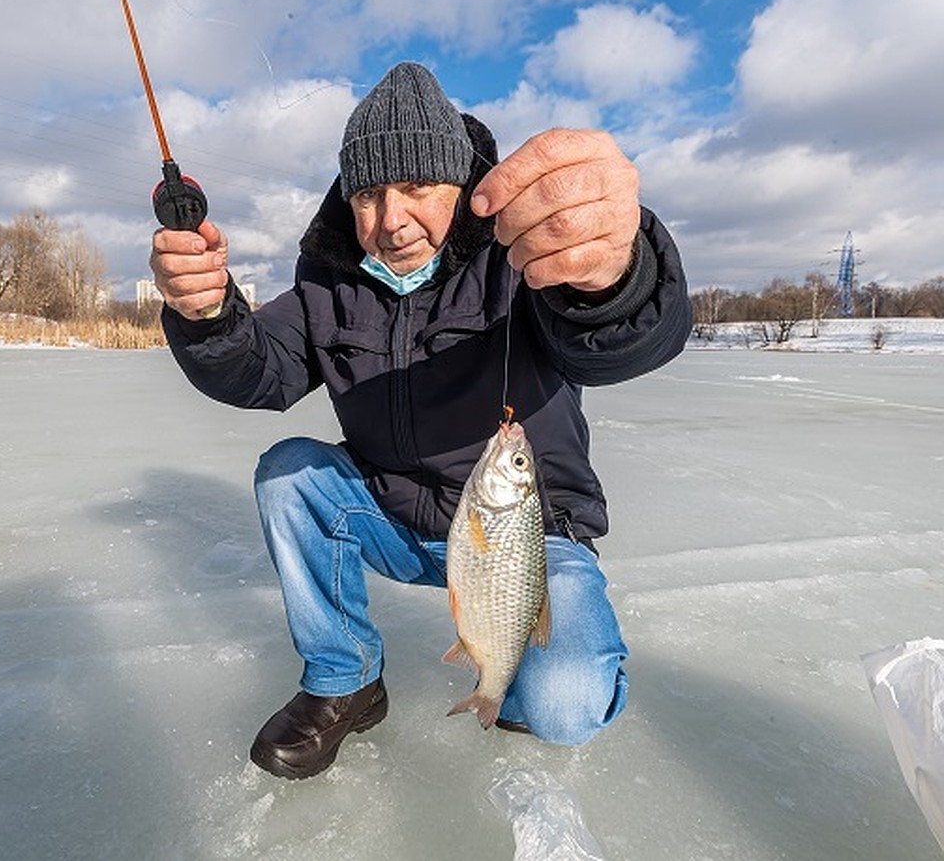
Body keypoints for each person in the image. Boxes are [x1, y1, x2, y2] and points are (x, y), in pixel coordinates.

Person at [150, 61, 692, 780]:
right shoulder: (331, 280)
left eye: (417, 187)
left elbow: (612, 343)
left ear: (462, 186)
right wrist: (207, 313)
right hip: (395, 519)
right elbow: (259, 369)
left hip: (526, 536)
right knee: (289, 472)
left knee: (563, 707)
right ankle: (347, 683)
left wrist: (614, 272)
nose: (391, 219)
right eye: (369, 193)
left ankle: (535, 682)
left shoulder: (520, 259)